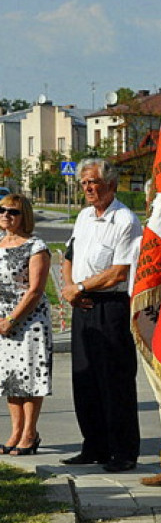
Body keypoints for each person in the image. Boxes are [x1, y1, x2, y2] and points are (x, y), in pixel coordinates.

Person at [60, 159, 142, 473]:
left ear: (110, 184)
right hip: (82, 302)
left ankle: (122, 451)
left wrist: (79, 287)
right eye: (84, 184)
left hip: (111, 307)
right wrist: (70, 288)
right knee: (85, 379)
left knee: (115, 380)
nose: (89, 189)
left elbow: (119, 271)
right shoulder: (83, 217)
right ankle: (93, 446)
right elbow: (69, 255)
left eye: (94, 182)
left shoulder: (125, 220)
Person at [0, 194, 51, 456]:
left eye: (13, 212)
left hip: (29, 321)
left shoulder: (36, 246)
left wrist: (11, 319)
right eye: (2, 210)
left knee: (29, 378)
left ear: (25, 216)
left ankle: (29, 434)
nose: (6, 215)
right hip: (2, 322)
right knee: (10, 379)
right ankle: (15, 432)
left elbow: (35, 290)